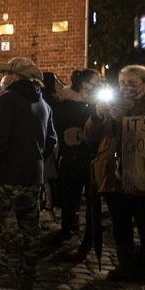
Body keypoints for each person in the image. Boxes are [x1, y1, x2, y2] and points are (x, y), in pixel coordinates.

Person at [0, 57, 57, 290]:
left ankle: (0, 270)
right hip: (34, 177)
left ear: (15, 77)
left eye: (6, 74)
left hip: (6, 175)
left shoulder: (7, 100)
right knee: (30, 227)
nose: (3, 79)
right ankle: (27, 276)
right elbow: (52, 142)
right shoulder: (45, 105)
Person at [85, 64, 145, 286]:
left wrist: (124, 120)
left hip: (140, 175)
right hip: (112, 175)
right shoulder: (113, 103)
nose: (126, 88)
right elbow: (91, 137)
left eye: (132, 83)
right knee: (120, 222)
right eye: (122, 83)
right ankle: (125, 266)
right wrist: (97, 116)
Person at [47, 69, 103, 249]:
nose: (100, 84)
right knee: (71, 195)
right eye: (97, 81)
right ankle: (66, 229)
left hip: (94, 154)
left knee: (93, 197)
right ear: (85, 84)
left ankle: (90, 236)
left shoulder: (98, 103)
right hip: (73, 154)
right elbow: (59, 125)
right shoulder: (66, 102)